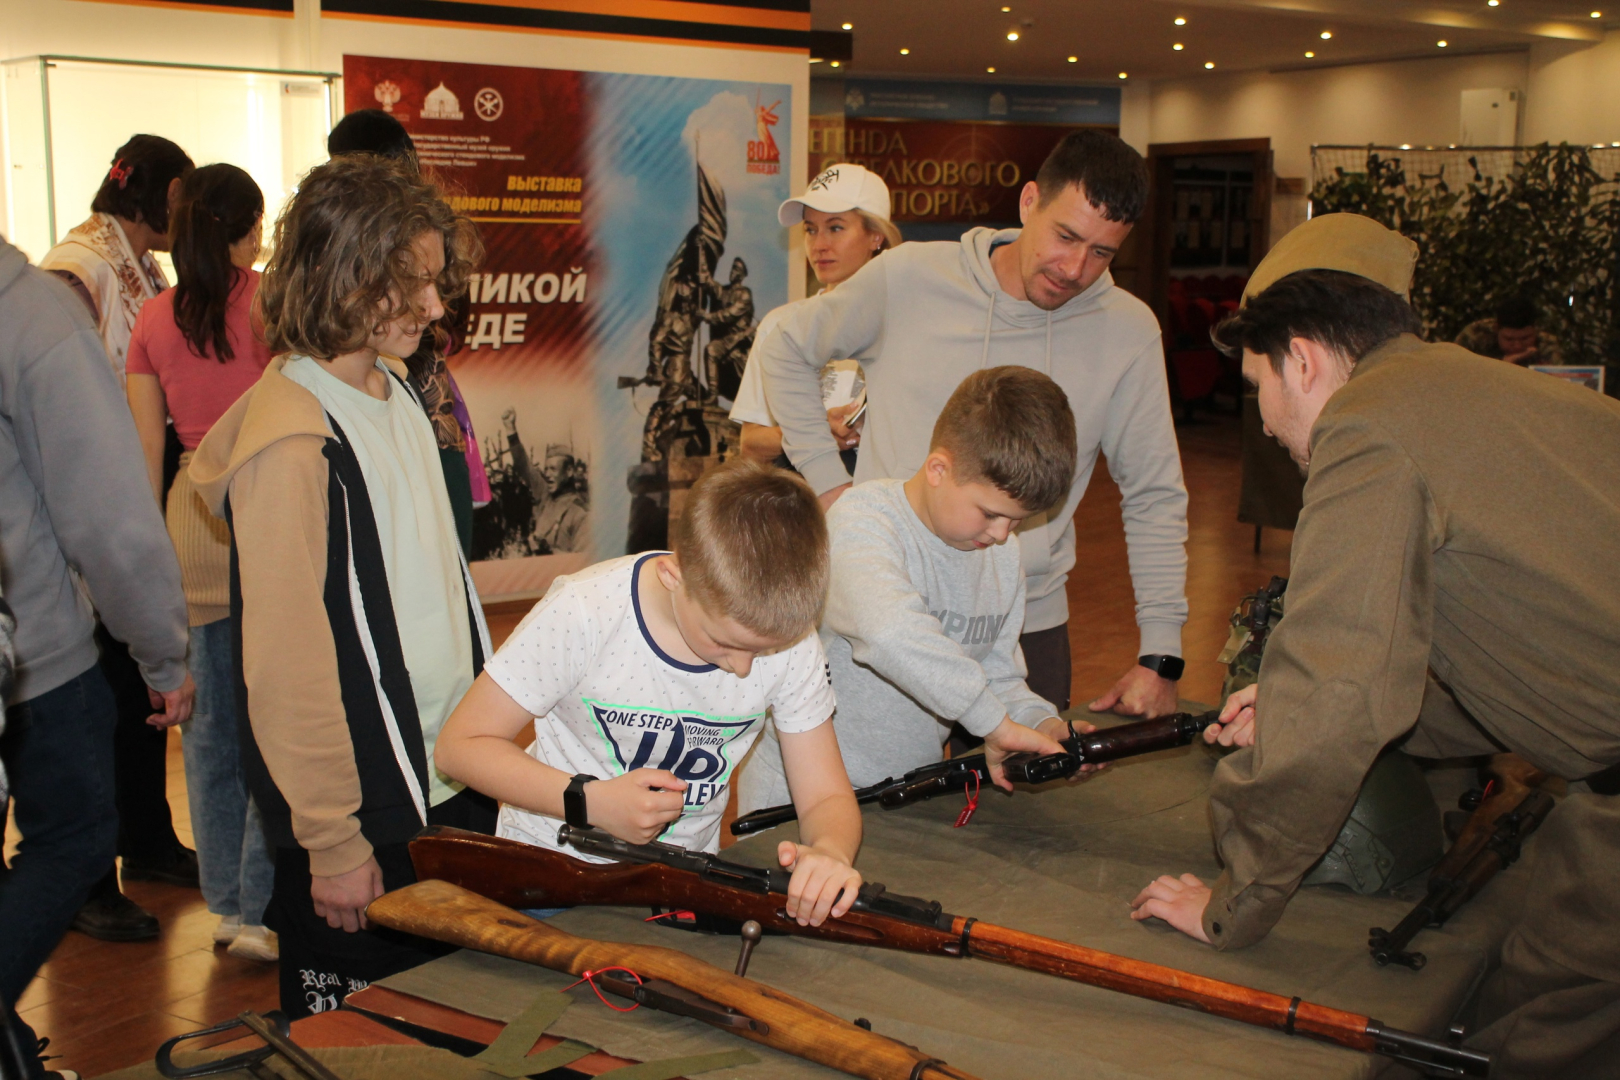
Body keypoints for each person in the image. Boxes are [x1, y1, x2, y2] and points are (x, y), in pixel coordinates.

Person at [1127, 213, 1620, 1080]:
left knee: (1530, 1035)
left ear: (1303, 360)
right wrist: (1292, 704)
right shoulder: (1519, 398)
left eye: (1257, 385)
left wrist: (1236, 903)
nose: (1266, 425)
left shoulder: (1367, 428)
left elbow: (1343, 688)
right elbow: (1520, 650)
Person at [190, 155, 493, 1018]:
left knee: (459, 1022)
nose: (435, 307)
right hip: (364, 813)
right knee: (365, 1044)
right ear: (348, 278)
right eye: (414, 285)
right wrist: (330, 841)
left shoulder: (394, 386)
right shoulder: (293, 442)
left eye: (436, 282)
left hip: (442, 779)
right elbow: (286, 665)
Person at [759, 132, 1189, 716]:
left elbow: (1154, 495)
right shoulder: (910, 277)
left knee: (1025, 774)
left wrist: (1161, 654)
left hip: (1023, 626)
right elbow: (785, 347)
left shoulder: (1128, 331)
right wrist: (833, 490)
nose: (1074, 268)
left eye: (1101, 253)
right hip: (883, 614)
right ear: (1029, 201)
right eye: (1065, 236)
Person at [434, 460, 863, 928]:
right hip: (547, 875)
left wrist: (830, 852)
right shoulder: (585, 612)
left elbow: (825, 795)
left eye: (764, 651)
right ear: (673, 575)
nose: (742, 669)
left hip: (678, 884)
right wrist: (590, 802)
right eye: (724, 643)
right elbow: (460, 747)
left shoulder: (792, 639)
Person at [0, 230, 192, 1078]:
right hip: (33, 659)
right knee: (77, 840)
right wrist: (163, 655)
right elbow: (108, 515)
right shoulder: (32, 316)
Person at [739, 367, 1096, 814]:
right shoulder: (860, 522)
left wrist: (1040, 724)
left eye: (1017, 520)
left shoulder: (1002, 555)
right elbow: (888, 632)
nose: (1003, 533)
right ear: (938, 469)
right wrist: (993, 724)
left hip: (905, 790)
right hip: (799, 795)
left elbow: (995, 675)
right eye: (990, 513)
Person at [40, 134, 199, 942]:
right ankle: (85, 878)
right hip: (80, 509)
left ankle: (148, 838)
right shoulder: (77, 268)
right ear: (163, 196)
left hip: (132, 494)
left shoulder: (144, 267)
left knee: (136, 689)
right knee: (93, 702)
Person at [124, 163, 277, 962]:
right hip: (267, 511)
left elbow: (144, 457)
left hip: (190, 522)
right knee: (273, 723)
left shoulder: (152, 317)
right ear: (247, 229)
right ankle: (261, 908)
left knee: (209, 733)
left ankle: (226, 904)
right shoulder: (273, 303)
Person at [327, 107, 486, 557]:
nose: (430, 305)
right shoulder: (349, 248)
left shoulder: (428, 233)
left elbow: (451, 323)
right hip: (389, 429)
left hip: (430, 427)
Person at [730, 163, 901, 470]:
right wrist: (814, 432)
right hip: (800, 496)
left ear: (876, 236)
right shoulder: (782, 325)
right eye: (810, 230)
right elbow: (751, 444)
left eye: (835, 228)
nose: (819, 245)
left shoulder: (908, 323)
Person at [499, 409, 588, 554]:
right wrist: (511, 431)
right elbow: (524, 467)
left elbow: (581, 561)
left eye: (553, 469)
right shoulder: (545, 495)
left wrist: (548, 551)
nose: (547, 474)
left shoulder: (580, 513)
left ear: (569, 471)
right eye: (546, 469)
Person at [1454, 295, 1563, 366]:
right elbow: (1455, 371)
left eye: (1525, 338)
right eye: (1509, 339)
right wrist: (1502, 367)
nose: (1518, 346)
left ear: (1536, 330)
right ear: (1496, 329)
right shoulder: (1474, 336)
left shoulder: (1547, 344)